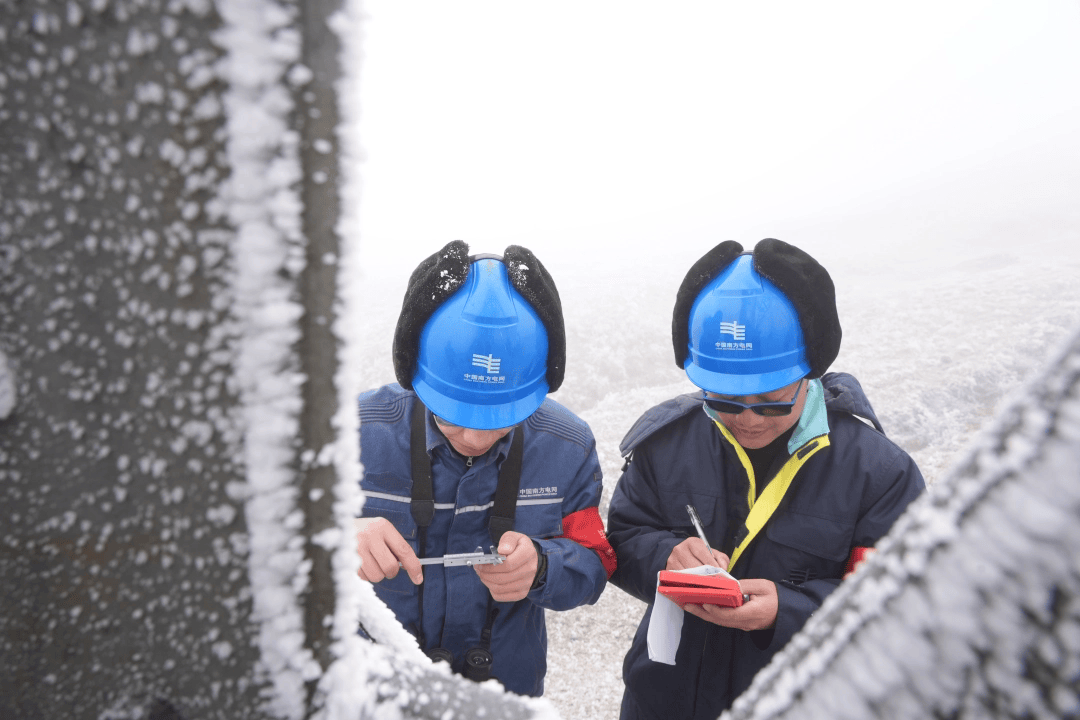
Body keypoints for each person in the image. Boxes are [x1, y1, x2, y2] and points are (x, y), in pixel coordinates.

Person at [606, 238, 925, 719]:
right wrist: (665, 555)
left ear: (809, 373)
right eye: (725, 401)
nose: (748, 420)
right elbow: (624, 538)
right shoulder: (665, 445)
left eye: (772, 402)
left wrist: (790, 611)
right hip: (662, 702)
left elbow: (902, 601)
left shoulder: (879, 473)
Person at [355, 240, 616, 697]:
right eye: (453, 416)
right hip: (368, 691)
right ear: (415, 374)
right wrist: (334, 537)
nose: (475, 438)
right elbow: (260, 533)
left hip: (504, 694)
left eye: (499, 419)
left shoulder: (567, 446)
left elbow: (597, 559)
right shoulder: (353, 434)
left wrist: (543, 567)